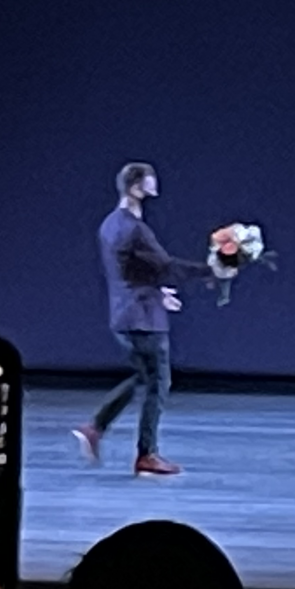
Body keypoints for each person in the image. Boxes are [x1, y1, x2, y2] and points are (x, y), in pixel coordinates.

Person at [73, 162, 236, 476]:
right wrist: (212, 270)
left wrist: (158, 292)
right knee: (158, 383)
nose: (155, 183)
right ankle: (145, 454)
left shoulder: (109, 224)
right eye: (149, 180)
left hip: (124, 312)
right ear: (136, 187)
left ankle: (95, 427)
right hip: (142, 318)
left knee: (145, 378)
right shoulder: (135, 228)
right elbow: (165, 266)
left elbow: (132, 270)